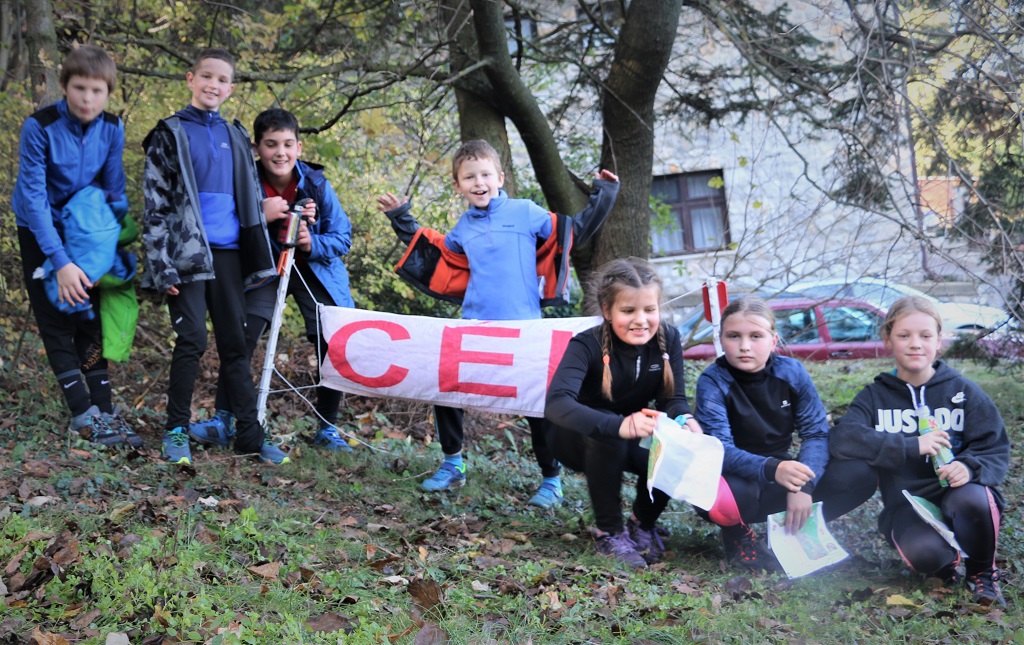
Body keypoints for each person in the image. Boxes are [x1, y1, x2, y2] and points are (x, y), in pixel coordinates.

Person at [376, 139, 619, 505]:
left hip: (524, 331)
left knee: (538, 405)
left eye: (486, 175)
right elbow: (436, 254)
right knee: (445, 389)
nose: (479, 182)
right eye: (469, 177)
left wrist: (605, 192)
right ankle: (453, 464)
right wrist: (401, 217)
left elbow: (573, 232)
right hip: (476, 327)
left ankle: (551, 481)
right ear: (458, 185)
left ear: (500, 177)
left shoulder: (525, 212)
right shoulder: (463, 227)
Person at [140, 48, 288, 466]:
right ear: (191, 79)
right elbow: (155, 204)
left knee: (235, 345)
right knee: (191, 339)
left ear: (230, 88)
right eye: (206, 76)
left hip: (228, 255)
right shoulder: (170, 133)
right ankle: (175, 431)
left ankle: (249, 435)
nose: (213, 85)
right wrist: (161, 265)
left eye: (222, 80)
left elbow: (251, 195)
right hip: (185, 256)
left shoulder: (236, 136)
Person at [187, 108, 357, 452]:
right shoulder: (243, 181)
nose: (280, 152)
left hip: (313, 271)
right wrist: (260, 218)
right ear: (256, 148)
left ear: (299, 147)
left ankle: (327, 428)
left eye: (288, 144)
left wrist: (312, 243)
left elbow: (343, 237)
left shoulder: (317, 184)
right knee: (242, 337)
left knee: (329, 343)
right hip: (264, 269)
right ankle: (224, 419)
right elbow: (225, 230)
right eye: (271, 144)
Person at [830, 296, 1009, 606]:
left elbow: (994, 446)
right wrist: (910, 445)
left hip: (962, 497)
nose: (915, 344)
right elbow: (843, 438)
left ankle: (982, 573)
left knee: (970, 498)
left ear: (939, 341)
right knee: (927, 555)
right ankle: (946, 563)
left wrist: (968, 466)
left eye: (925, 335)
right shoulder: (875, 396)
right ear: (888, 340)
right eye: (904, 335)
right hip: (908, 508)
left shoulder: (963, 391)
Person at [12, 44, 141, 449]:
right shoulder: (40, 126)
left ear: (108, 93)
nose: (87, 98)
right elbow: (33, 199)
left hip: (87, 229)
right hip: (41, 228)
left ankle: (104, 409)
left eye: (97, 90)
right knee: (56, 315)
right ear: (65, 86)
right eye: (79, 88)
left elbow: (113, 191)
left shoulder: (112, 128)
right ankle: (82, 414)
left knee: (89, 316)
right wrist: (61, 262)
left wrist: (107, 254)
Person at [694, 296, 876, 570]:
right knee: (728, 496)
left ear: (773, 340)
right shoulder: (712, 381)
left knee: (861, 474)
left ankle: (789, 532)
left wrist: (804, 484)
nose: (745, 346)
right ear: (721, 339)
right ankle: (738, 534)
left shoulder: (792, 373)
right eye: (734, 336)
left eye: (756, 336)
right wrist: (773, 469)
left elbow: (816, 434)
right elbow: (721, 451)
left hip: (782, 474)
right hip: (733, 478)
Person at [545, 257, 702, 568]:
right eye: (628, 311)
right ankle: (610, 532)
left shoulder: (668, 339)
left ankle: (642, 524)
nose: (640, 320)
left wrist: (685, 419)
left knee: (673, 443)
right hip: (575, 437)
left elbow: (673, 399)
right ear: (608, 311)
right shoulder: (586, 345)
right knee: (609, 438)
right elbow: (557, 404)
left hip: (629, 431)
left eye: (649, 310)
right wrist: (618, 425)